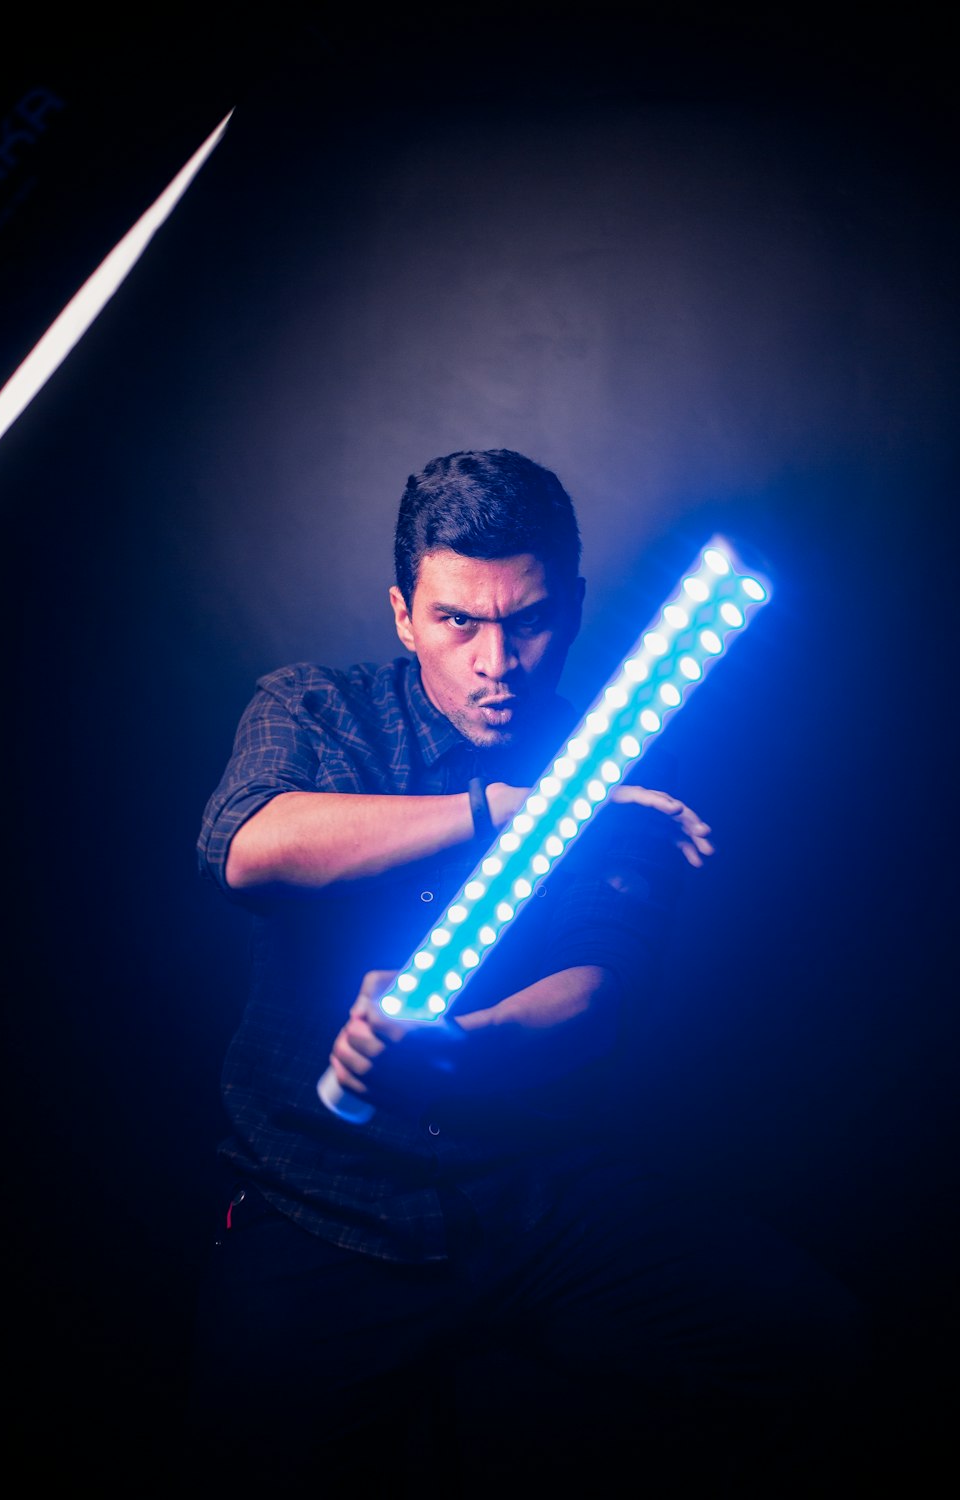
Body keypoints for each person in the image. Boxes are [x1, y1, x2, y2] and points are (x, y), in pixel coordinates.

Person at [187, 449, 863, 1493]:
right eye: (458, 621)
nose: (496, 659)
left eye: (528, 619)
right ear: (405, 613)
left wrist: (460, 1049)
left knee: (819, 1346)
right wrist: (520, 806)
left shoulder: (621, 755)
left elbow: (599, 993)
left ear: (575, 608)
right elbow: (246, 849)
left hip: (532, 1196)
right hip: (318, 1205)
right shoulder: (315, 708)